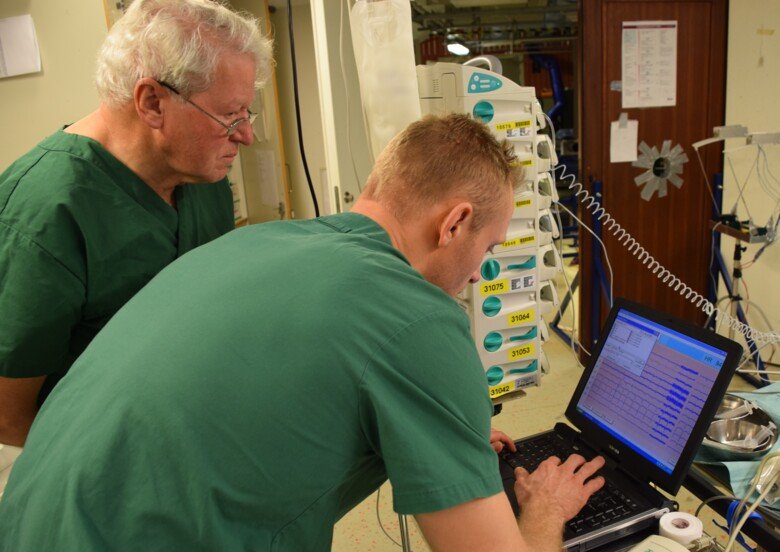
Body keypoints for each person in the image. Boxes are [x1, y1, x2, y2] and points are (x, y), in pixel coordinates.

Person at [0, 113, 604, 551]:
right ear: (455, 223)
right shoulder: (418, 317)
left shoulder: (257, 240)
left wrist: (439, 431)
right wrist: (546, 509)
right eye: (488, 249)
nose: (477, 274)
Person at [0, 0, 272, 446]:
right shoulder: (44, 215)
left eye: (247, 113)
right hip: (99, 454)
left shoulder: (200, 174)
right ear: (152, 103)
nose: (245, 134)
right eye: (229, 115)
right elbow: (8, 415)